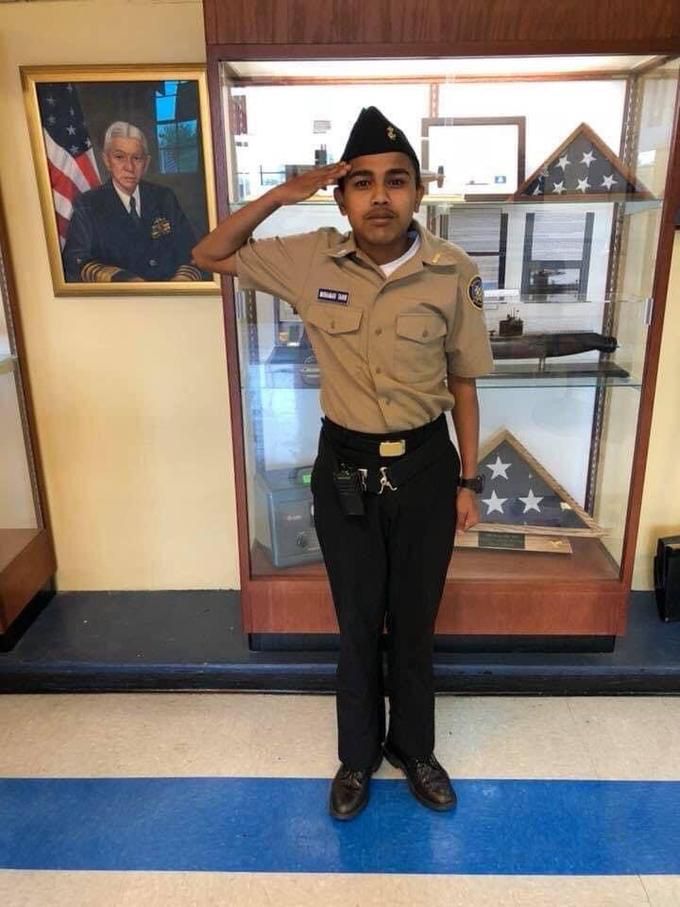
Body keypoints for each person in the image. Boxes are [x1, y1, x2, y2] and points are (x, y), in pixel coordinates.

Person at [193, 106, 493, 820]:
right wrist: (280, 195)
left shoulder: (453, 270)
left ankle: (414, 749)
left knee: (414, 621)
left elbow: (463, 383)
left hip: (426, 469)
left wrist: (468, 480)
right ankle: (356, 756)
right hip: (345, 471)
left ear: (418, 192)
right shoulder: (311, 258)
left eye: (396, 180)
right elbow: (210, 253)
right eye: (362, 183)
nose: (380, 196)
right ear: (341, 197)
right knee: (358, 622)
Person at [62, 121, 202, 283]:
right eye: (119, 157)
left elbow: (191, 251)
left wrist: (180, 283)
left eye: (137, 158)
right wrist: (125, 281)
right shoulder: (89, 204)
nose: (129, 167)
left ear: (146, 163)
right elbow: (76, 260)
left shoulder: (164, 198)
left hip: (168, 292)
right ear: (106, 160)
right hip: (120, 295)